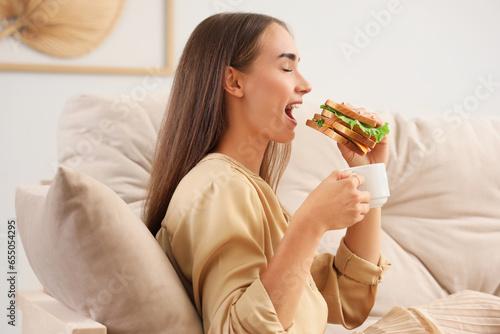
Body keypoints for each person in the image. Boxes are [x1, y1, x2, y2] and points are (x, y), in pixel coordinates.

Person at [145, 12, 500, 334]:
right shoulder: (220, 188)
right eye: (287, 68)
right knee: (484, 311)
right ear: (234, 82)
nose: (305, 85)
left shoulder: (244, 189)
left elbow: (347, 299)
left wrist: (369, 174)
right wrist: (310, 223)